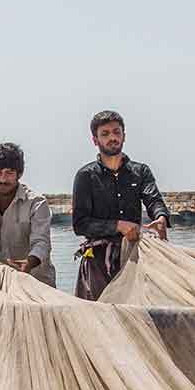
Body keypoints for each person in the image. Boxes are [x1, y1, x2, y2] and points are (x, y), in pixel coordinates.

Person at [70, 109, 168, 300]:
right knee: (98, 318)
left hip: (134, 258)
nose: (112, 138)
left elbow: (153, 199)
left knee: (138, 315)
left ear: (124, 136)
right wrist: (117, 225)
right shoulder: (85, 176)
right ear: (95, 140)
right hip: (97, 262)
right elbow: (80, 224)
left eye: (116, 132)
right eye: (105, 134)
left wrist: (161, 217)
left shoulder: (140, 172)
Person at [0, 142, 55, 288]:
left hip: (38, 283)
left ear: (19, 174)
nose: (3, 179)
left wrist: (29, 263)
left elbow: (41, 243)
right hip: (0, 283)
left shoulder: (37, 203)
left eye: (9, 173)